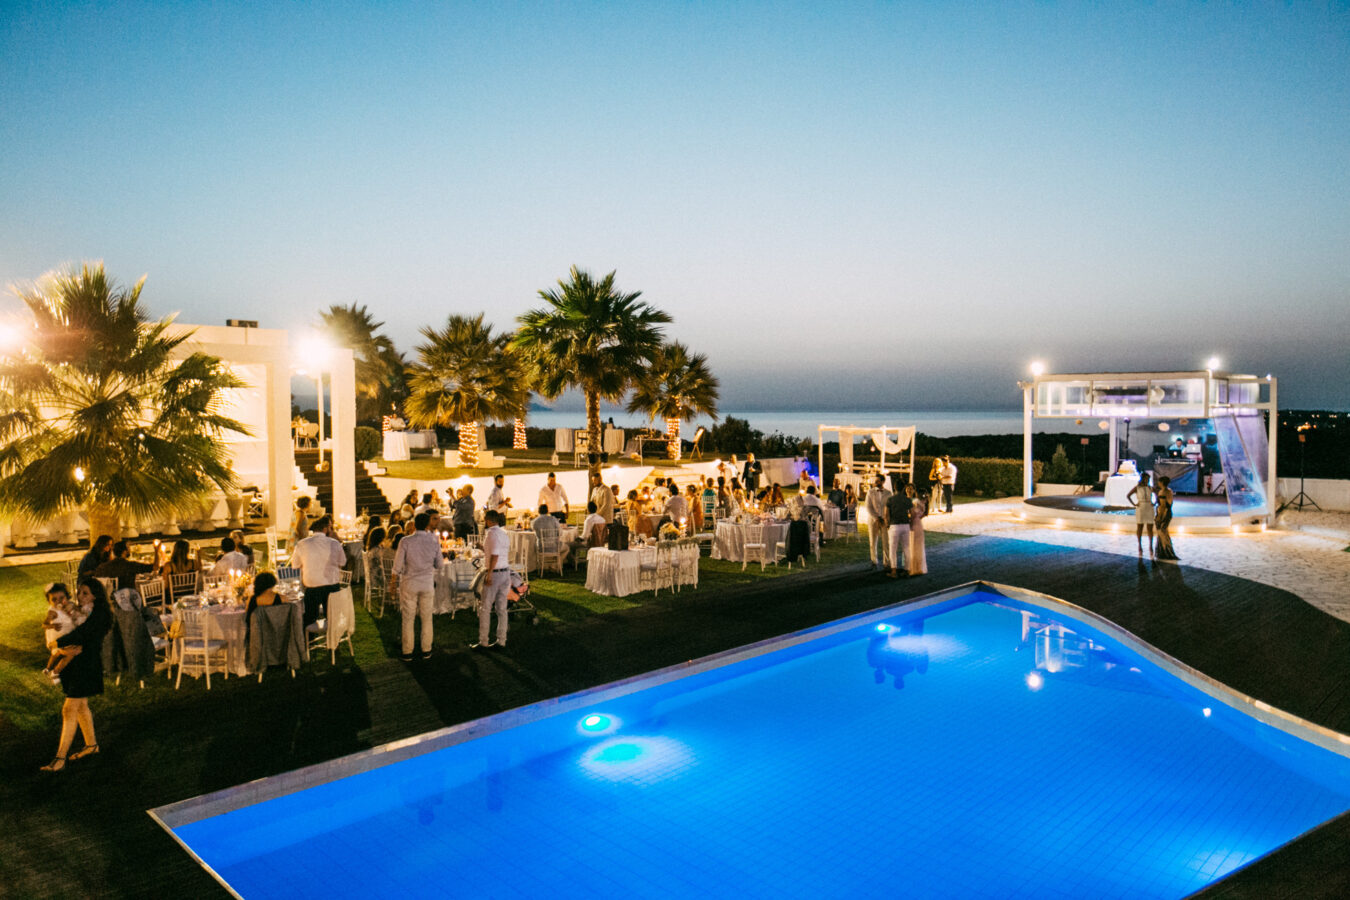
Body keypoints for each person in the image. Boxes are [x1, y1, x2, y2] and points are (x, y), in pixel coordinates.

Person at [41, 577, 111, 772]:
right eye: (79, 592)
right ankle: (91, 745)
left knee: (69, 709)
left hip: (87, 667)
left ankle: (60, 758)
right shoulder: (82, 611)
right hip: (76, 664)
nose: (80, 597)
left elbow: (83, 635)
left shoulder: (100, 614)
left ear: (96, 595)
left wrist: (57, 645)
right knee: (81, 707)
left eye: (85, 593)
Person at [392, 512, 440, 661]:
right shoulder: (434, 540)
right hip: (426, 583)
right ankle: (426, 650)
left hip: (409, 583)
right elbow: (439, 564)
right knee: (427, 618)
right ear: (427, 524)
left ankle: (407, 651)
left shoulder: (406, 541)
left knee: (408, 618)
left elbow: (397, 565)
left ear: (413, 524)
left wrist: (392, 583)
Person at [291, 514, 346, 625]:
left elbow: (295, 565)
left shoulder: (302, 544)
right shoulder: (335, 544)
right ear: (325, 529)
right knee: (333, 618)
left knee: (309, 619)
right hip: (332, 586)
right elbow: (342, 562)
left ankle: (309, 639)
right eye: (330, 528)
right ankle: (334, 638)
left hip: (312, 586)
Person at [475, 510, 512, 649]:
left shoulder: (491, 533)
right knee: (502, 609)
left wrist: (489, 574)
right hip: (505, 572)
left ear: (488, 520)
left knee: (485, 608)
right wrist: (483, 548)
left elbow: (495, 555)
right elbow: (496, 553)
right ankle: (502, 640)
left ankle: (483, 641)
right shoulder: (503, 533)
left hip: (495, 573)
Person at [42, 582, 86, 684]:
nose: (59, 601)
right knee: (69, 654)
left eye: (61, 598)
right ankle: (55, 672)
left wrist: (73, 609)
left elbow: (79, 611)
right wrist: (53, 625)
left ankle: (49, 668)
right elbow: (44, 624)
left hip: (69, 634)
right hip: (58, 637)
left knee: (61, 654)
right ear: (49, 602)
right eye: (54, 599)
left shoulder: (70, 605)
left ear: (67, 597)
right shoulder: (52, 612)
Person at [884, 482, 914, 578]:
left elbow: (886, 514)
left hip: (894, 525)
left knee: (893, 549)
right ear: (903, 488)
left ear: (894, 488)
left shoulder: (890, 499)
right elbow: (912, 514)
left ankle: (894, 571)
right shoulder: (907, 500)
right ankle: (907, 570)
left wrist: (887, 524)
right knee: (906, 548)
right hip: (905, 525)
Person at [865, 474, 891, 571]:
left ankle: (887, 562)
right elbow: (868, 507)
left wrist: (884, 518)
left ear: (883, 482)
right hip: (873, 520)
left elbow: (889, 507)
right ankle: (874, 561)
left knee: (886, 542)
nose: (876, 482)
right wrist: (876, 518)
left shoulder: (888, 493)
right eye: (876, 480)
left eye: (878, 481)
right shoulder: (870, 492)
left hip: (884, 521)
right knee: (873, 541)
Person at [1127, 472, 1156, 556]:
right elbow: (1128, 495)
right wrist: (1134, 504)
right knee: (1140, 527)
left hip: (1149, 507)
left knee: (1150, 527)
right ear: (1143, 479)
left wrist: (1155, 502)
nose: (1147, 480)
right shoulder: (1137, 488)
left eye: (1148, 479)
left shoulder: (1150, 487)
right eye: (1146, 478)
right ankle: (1140, 545)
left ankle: (1150, 545)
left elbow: (1157, 494)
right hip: (1141, 506)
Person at [1154, 475, 1179, 561]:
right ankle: (1166, 551)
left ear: (1161, 483)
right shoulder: (1169, 491)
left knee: (1162, 532)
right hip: (1168, 513)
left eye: (1159, 481)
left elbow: (1163, 506)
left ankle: (1166, 552)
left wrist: (1159, 517)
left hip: (1164, 514)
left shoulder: (1162, 492)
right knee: (1164, 532)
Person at [907, 486, 928, 576]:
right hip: (919, 524)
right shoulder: (924, 503)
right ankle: (919, 567)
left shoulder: (915, 502)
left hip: (914, 525)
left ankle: (912, 568)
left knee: (911, 545)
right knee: (919, 546)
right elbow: (923, 514)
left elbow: (912, 515)